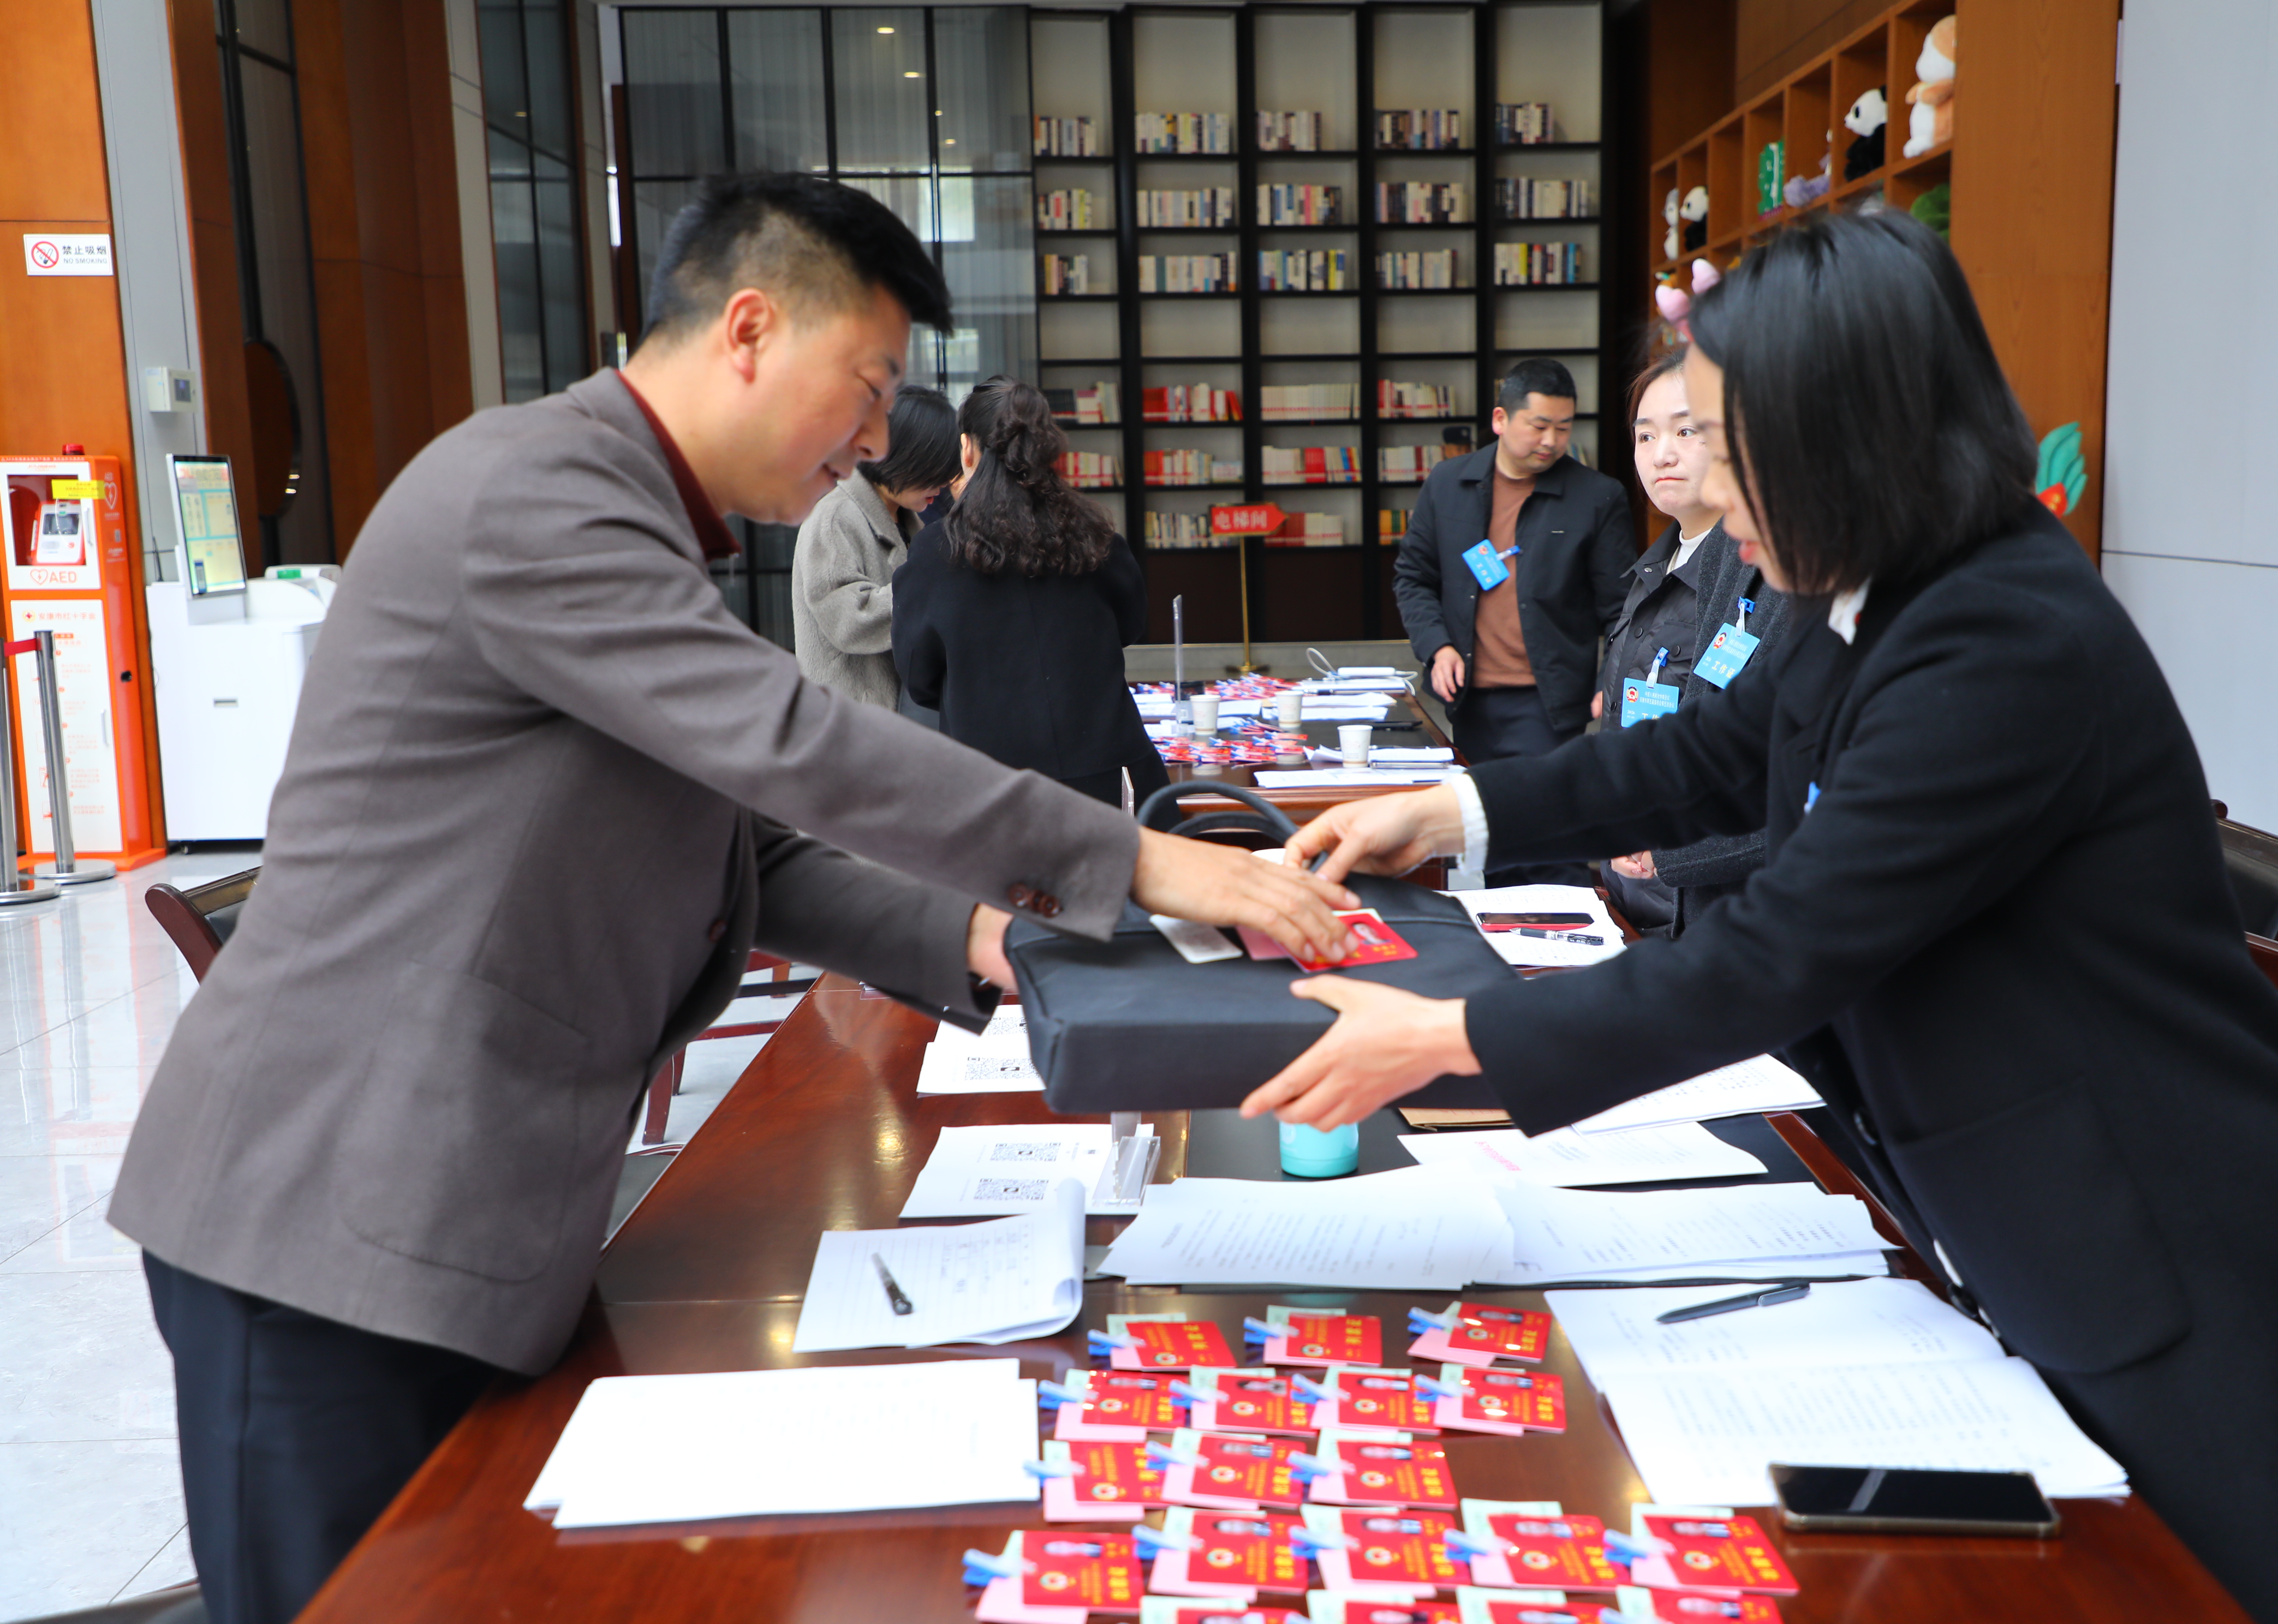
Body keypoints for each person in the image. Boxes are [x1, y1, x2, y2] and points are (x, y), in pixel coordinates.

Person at [106, 175, 1353, 1624]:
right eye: (868, 386)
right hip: (332, 1219)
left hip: (456, 1208)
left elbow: (744, 845)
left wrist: (984, 938)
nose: (876, 439)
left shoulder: (637, 522)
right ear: (750, 328)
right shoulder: (536, 492)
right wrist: (1134, 857)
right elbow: (795, 745)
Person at [1241, 212, 2278, 1624]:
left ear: (1849, 438)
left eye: (1731, 448)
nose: (1708, 486)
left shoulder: (2003, 636)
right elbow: (1706, 752)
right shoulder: (1870, 585)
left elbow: (1784, 944)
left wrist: (1451, 1037)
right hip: (2005, 1196)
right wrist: (1452, 813)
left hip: (2166, 1246)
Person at [1391, 356, 1635, 886]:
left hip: (1550, 703)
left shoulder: (1596, 497)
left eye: (1564, 428)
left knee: (1551, 843)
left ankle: (1563, 937)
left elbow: (1622, 608)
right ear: (1501, 419)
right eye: (1539, 426)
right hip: (1471, 702)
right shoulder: (1449, 483)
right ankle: (1508, 937)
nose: (1552, 441)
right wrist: (1437, 646)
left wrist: (1608, 682)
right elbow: (1413, 577)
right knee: (1488, 846)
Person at [893, 376, 1168, 808]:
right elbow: (1131, 625)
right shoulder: (1095, 535)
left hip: (990, 783)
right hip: (1105, 771)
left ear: (966, 449)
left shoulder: (935, 551)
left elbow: (918, 675)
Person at [1596, 348, 1788, 936]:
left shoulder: (1773, 577)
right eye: (1645, 436)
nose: (1663, 454)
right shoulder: (1655, 564)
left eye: (1686, 431)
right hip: (1636, 877)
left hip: (1707, 894)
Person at [791, 380, 958, 709]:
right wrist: (932, 587)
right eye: (934, 471)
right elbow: (848, 620)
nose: (942, 485)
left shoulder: (908, 519)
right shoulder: (835, 517)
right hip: (847, 717)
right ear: (904, 458)